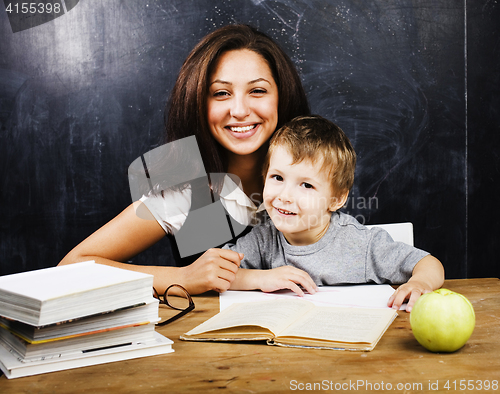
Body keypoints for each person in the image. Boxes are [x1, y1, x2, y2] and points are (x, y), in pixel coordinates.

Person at [58, 24, 310, 296]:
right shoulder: (185, 193)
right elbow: (71, 268)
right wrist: (181, 277)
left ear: (281, 98)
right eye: (221, 93)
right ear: (198, 103)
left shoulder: (316, 170)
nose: (239, 110)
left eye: (258, 91)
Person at [224, 115, 445, 312]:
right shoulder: (264, 239)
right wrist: (260, 277)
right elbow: (219, 272)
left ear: (336, 199)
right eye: (277, 178)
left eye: (306, 185)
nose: (285, 195)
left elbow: (428, 263)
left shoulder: (359, 244)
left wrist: (420, 283)